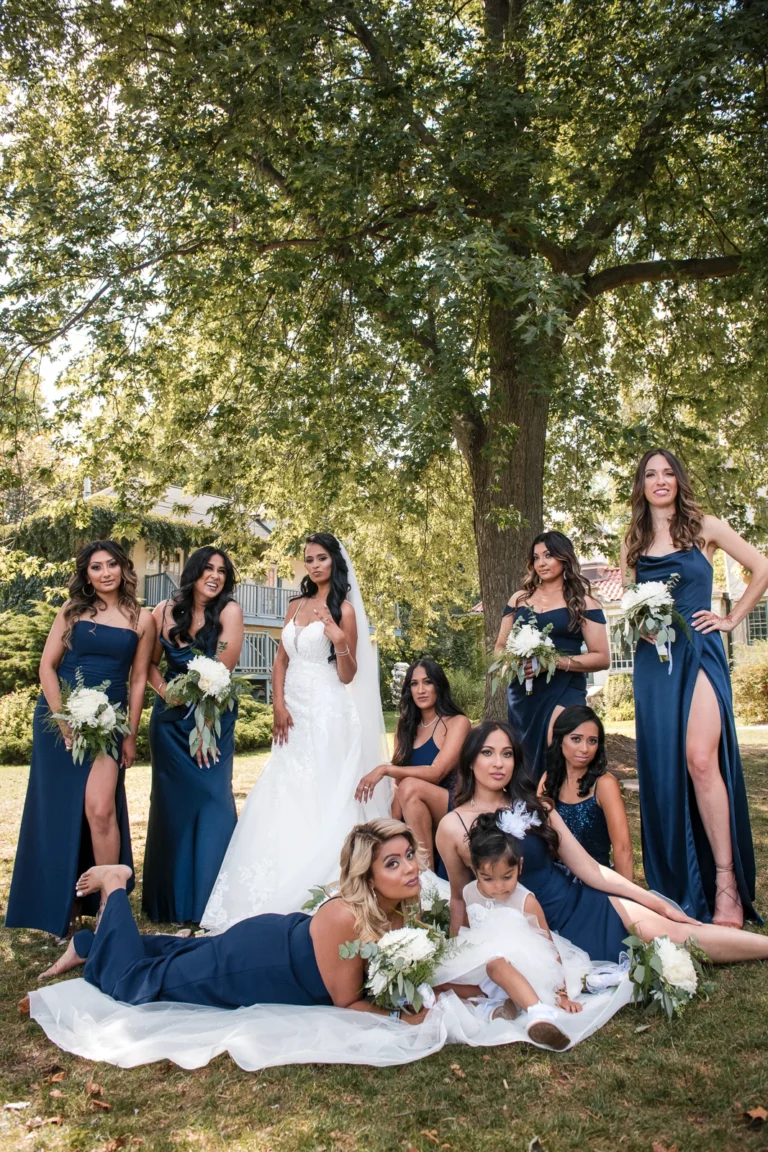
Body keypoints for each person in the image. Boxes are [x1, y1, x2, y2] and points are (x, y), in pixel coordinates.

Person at [437, 721, 768, 966]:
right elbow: (459, 898)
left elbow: (590, 869)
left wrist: (654, 902)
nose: (499, 763)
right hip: (530, 932)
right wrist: (458, 960)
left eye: (507, 754)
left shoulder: (538, 806)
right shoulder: (452, 827)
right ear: (470, 760)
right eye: (488, 753)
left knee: (670, 932)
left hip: (578, 903)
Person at [38, 819, 427, 1025]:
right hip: (252, 966)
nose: (410, 868)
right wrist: (404, 1017)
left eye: (409, 855)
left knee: (178, 954)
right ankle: (116, 885)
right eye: (392, 863)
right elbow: (349, 1002)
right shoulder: (347, 916)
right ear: (368, 876)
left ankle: (89, 944)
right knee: (136, 983)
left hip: (272, 941)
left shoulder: (399, 906)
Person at [200, 533, 391, 930]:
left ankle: (324, 877)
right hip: (294, 711)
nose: (315, 565)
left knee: (323, 789)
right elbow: (281, 658)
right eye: (309, 559)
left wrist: (339, 639)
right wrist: (279, 705)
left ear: (335, 562)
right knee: (284, 785)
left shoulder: (345, 611)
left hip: (329, 709)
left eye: (322, 558)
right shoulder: (295, 604)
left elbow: (348, 674)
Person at [623, 448, 768, 926]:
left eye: (668, 473)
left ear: (679, 480)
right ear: (641, 485)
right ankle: (679, 884)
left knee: (701, 760)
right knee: (666, 769)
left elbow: (761, 568)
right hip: (654, 662)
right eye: (651, 474)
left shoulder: (707, 526)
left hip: (700, 651)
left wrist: (730, 619)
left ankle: (727, 885)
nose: (660, 480)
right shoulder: (634, 541)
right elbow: (630, 604)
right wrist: (638, 625)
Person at [6, 540, 155, 939]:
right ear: (86, 574)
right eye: (96, 567)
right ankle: (63, 906)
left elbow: (138, 679)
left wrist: (131, 732)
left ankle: (111, 908)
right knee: (60, 813)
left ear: (124, 569)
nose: (105, 573)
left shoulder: (143, 618)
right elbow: (47, 667)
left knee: (101, 810)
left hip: (109, 721)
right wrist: (64, 720)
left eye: (112, 565)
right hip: (60, 718)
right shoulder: (72, 611)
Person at [142, 547, 244, 924]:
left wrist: (203, 728)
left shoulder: (230, 612)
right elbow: (150, 665)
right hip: (170, 723)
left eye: (221, 571)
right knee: (173, 809)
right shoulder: (162, 611)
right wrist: (166, 692)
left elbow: (222, 673)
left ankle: (211, 902)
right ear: (194, 573)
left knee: (214, 800)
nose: (214, 576)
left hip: (213, 719)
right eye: (208, 569)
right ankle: (169, 904)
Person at [433, 811, 587, 1050]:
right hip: (485, 970)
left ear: (520, 867)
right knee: (440, 980)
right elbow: (467, 935)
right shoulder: (469, 893)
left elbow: (549, 945)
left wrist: (562, 992)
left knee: (497, 964)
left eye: (507, 877)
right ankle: (498, 1005)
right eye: (488, 879)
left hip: (523, 968)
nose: (498, 887)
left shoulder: (525, 901)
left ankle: (539, 1012)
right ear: (475, 871)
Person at [494, 531, 610, 781]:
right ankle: (530, 810)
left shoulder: (583, 603)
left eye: (548, 555)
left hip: (565, 686)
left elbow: (602, 657)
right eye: (536, 558)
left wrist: (552, 663)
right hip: (524, 690)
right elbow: (500, 647)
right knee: (524, 757)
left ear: (564, 557)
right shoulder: (519, 599)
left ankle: (562, 807)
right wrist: (515, 662)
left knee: (557, 744)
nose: (541, 563)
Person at [355, 659, 470, 870]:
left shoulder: (457, 722)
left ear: (439, 685)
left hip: (453, 803)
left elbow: (436, 772)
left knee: (409, 786)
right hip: (414, 807)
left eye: (427, 682)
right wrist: (390, 826)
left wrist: (384, 769)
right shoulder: (405, 726)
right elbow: (399, 787)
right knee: (399, 795)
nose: (421, 690)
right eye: (414, 684)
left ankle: (427, 874)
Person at [539, 705, 633, 880]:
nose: (585, 749)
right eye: (576, 739)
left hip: (595, 884)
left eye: (592, 741)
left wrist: (625, 898)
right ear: (560, 740)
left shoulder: (605, 784)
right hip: (553, 882)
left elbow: (623, 849)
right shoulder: (547, 780)